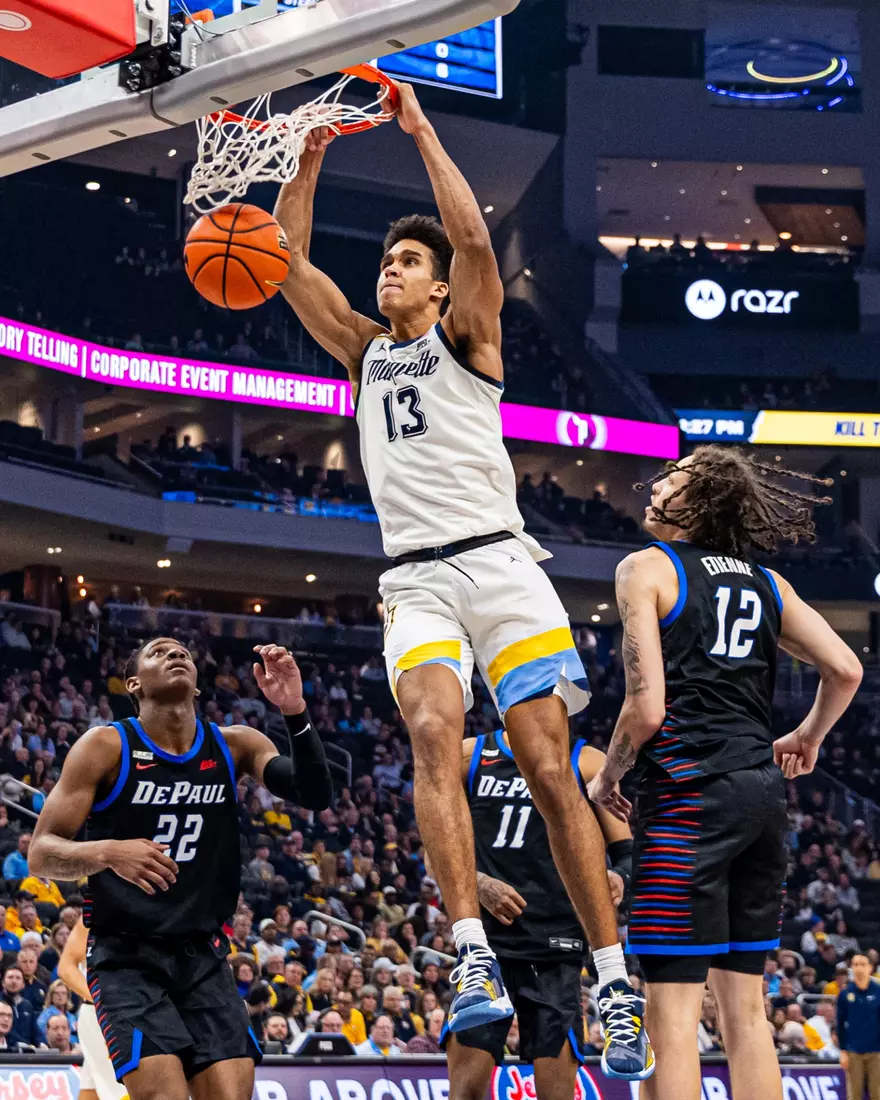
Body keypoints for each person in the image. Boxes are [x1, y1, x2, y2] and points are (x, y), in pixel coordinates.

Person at [273, 80, 646, 1076]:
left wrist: (419, 128)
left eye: (403, 263)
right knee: (433, 729)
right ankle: (471, 952)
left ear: (436, 290)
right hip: (418, 579)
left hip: (499, 562)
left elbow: (476, 249)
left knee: (542, 759)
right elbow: (285, 265)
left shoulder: (467, 339)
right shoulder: (361, 352)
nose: (387, 273)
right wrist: (306, 160)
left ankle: (611, 972)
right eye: (386, 262)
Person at [587, 446, 863, 1100]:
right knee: (746, 1014)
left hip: (688, 801)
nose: (654, 488)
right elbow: (846, 669)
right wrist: (808, 736)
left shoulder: (646, 569)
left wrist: (608, 778)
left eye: (671, 483)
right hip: (762, 803)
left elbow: (646, 705)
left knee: (673, 1016)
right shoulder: (770, 584)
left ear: (702, 504)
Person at [28, 639, 333, 1100]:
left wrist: (294, 709)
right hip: (126, 958)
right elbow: (42, 851)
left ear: (196, 684)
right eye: (159, 653)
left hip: (204, 956)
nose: (176, 656)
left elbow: (315, 794)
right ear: (135, 684)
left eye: (183, 653)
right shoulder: (106, 745)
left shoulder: (235, 745)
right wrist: (109, 851)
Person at [446, 725, 637, 1095]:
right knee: (464, 1091)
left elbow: (629, 854)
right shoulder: (470, 756)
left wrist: (618, 878)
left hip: (557, 948)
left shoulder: (586, 762)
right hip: (487, 949)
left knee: (558, 1093)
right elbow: (437, 846)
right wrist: (479, 883)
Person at [58, 917, 127, 1100]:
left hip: (123, 1012)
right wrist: (99, 998)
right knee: (123, 1089)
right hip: (107, 1014)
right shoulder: (94, 915)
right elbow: (66, 968)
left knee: (91, 1091)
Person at [838, 954, 880, 1099]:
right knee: (854, 1095)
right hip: (853, 1051)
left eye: (862, 964)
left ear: (870, 968)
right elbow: (840, 1023)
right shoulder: (845, 994)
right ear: (851, 968)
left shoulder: (878, 991)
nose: (859, 968)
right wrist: (843, 1050)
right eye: (855, 964)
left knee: (877, 1093)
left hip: (876, 1051)